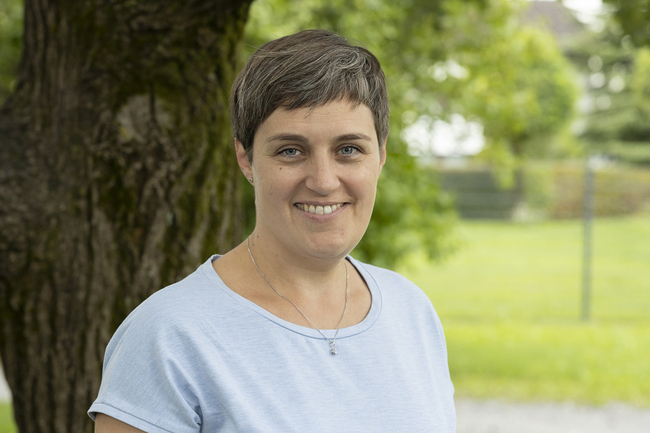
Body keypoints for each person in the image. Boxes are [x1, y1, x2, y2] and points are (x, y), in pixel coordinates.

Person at [89, 29, 455, 432]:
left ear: (381, 155)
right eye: (291, 150)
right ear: (246, 159)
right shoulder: (168, 335)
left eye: (348, 149)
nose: (323, 181)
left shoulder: (411, 311)